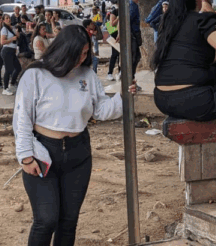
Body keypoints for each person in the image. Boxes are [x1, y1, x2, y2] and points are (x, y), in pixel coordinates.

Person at [13, 25, 138, 246]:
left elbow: (99, 110)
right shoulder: (35, 75)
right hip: (42, 153)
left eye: (85, 53)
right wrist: (25, 156)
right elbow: (22, 119)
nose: (82, 58)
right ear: (64, 50)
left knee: (68, 221)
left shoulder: (87, 75)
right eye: (78, 53)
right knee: (46, 219)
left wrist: (123, 96)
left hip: (78, 153)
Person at [1, 14, 21, 95]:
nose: (9, 19)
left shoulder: (11, 28)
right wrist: (12, 38)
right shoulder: (4, 29)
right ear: (3, 21)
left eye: (9, 18)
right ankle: (5, 88)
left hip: (12, 50)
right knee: (8, 69)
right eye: (6, 18)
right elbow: (2, 42)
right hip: (7, 50)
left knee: (18, 68)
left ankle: (12, 84)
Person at [128, 0, 144, 70]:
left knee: (136, 56)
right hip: (133, 35)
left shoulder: (132, 5)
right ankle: (130, 76)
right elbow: (128, 20)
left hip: (133, 35)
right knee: (134, 57)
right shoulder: (133, 6)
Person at [105, 7, 120, 81]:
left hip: (122, 36)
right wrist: (118, 18)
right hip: (115, 36)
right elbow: (112, 24)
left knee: (121, 55)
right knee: (114, 54)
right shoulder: (115, 12)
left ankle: (120, 73)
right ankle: (110, 73)